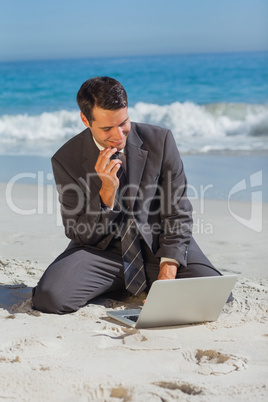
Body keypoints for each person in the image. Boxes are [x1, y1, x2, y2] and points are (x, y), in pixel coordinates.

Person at [32, 76, 231, 314]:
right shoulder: (66, 160)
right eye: (107, 128)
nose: (118, 135)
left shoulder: (161, 141)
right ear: (86, 120)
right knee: (50, 298)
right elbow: (77, 232)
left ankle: (138, 280)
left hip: (160, 246)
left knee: (218, 297)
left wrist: (168, 269)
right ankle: (116, 282)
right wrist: (105, 193)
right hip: (103, 253)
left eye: (123, 123)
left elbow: (178, 211)